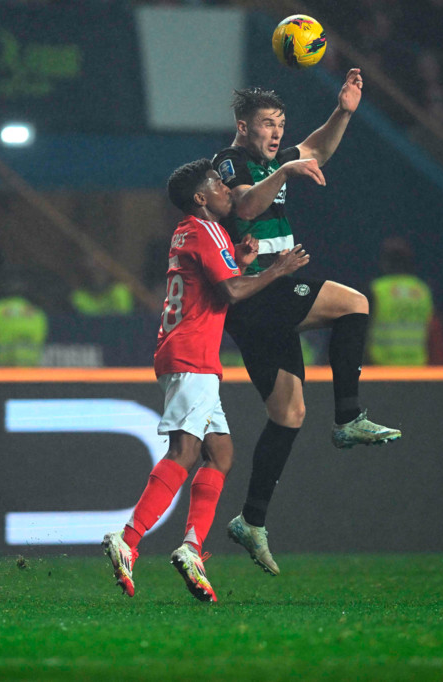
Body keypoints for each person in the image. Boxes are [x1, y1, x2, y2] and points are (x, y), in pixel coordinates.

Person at [210, 70, 401, 577]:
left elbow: (313, 150)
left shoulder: (274, 161)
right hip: (259, 293)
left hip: (263, 307)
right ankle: (348, 418)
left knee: (289, 414)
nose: (275, 133)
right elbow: (247, 203)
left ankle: (251, 521)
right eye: (267, 124)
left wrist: (343, 111)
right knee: (354, 303)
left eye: (281, 125)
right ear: (242, 124)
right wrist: (287, 171)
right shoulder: (228, 162)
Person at [102, 159, 309, 602]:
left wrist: (242, 260)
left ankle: (192, 548)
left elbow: (213, 280)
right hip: (191, 353)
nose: (226, 190)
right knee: (186, 450)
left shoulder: (190, 231)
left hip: (190, 353)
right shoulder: (206, 229)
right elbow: (230, 292)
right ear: (201, 198)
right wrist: (274, 270)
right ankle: (128, 539)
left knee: (220, 454)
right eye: (218, 184)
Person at [366, 237, 439, 366]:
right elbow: (433, 333)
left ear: (384, 262)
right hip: (417, 370)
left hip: (382, 371)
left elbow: (360, 333)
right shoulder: (422, 291)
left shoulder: (376, 290)